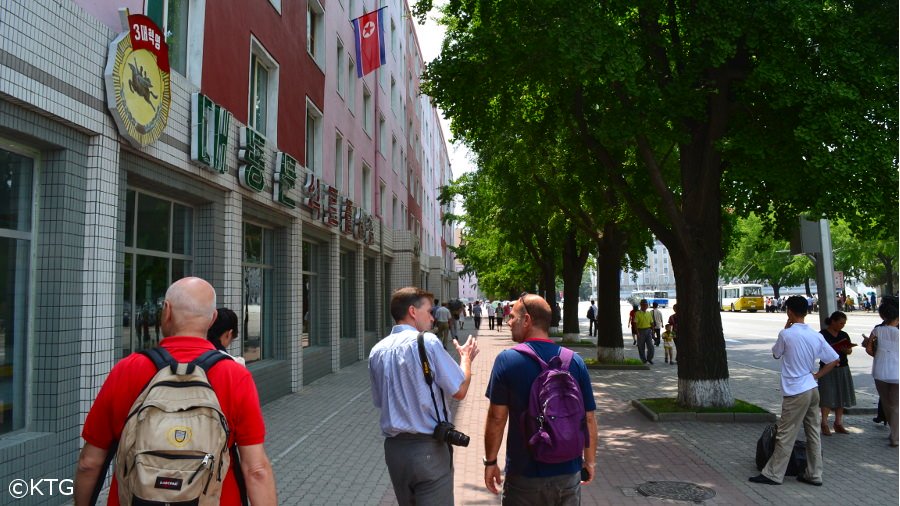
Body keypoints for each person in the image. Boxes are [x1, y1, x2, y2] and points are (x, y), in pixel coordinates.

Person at [74, 277, 277, 505]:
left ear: (167, 311)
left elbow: (89, 463)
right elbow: (256, 470)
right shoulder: (234, 375)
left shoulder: (127, 369)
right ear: (212, 319)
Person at [369, 287, 480, 505]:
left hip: (395, 451)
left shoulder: (377, 351)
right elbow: (459, 390)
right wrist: (466, 360)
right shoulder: (427, 342)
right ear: (412, 311)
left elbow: (379, 401)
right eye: (429, 311)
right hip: (427, 448)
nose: (432, 317)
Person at [483, 294, 597, 504]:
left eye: (513, 316)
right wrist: (589, 461)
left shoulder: (507, 360)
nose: (508, 321)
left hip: (524, 475)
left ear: (526, 320)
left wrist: (490, 462)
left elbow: (497, 419)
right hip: (568, 472)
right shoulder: (575, 361)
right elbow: (588, 418)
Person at [749, 296, 839, 487]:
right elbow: (833, 360)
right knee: (813, 433)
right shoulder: (816, 335)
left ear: (789, 311)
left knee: (785, 433)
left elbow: (776, 353)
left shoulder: (786, 334)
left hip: (795, 390)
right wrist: (816, 375)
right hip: (812, 388)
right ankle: (814, 474)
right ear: (806, 311)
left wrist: (786, 327)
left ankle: (774, 474)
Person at [817, 311, 855, 435]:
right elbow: (817, 351)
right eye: (840, 323)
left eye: (844, 323)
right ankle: (824, 423)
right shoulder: (822, 335)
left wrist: (846, 349)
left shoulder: (844, 334)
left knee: (841, 395)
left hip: (842, 367)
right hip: (827, 368)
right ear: (832, 321)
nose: (842, 326)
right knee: (827, 395)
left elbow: (849, 351)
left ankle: (838, 423)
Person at [867, 298, 898, 446]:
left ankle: (893, 432)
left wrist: (877, 355)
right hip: (897, 372)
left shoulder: (877, 330)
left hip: (880, 370)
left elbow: (868, 348)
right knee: (896, 405)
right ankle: (895, 436)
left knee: (887, 403)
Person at [634, 300, 655, 364]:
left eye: (646, 305)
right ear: (641, 305)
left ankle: (649, 358)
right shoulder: (637, 313)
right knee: (641, 347)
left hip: (648, 330)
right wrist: (637, 332)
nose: (645, 306)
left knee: (651, 346)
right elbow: (635, 324)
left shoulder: (649, 313)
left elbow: (652, 323)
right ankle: (643, 360)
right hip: (640, 331)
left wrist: (653, 332)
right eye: (644, 305)